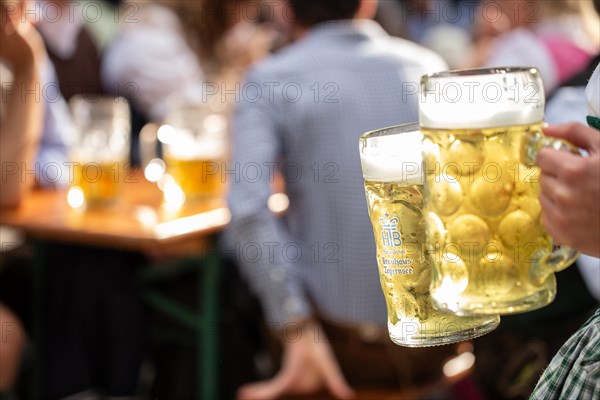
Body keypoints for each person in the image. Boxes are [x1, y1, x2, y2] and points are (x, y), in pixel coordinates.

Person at [224, 1, 457, 398]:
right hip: (438, 348)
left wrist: (295, 328)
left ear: (284, 9)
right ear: (368, 3)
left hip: (337, 353)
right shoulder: (429, 66)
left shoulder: (270, 79)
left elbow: (247, 211)